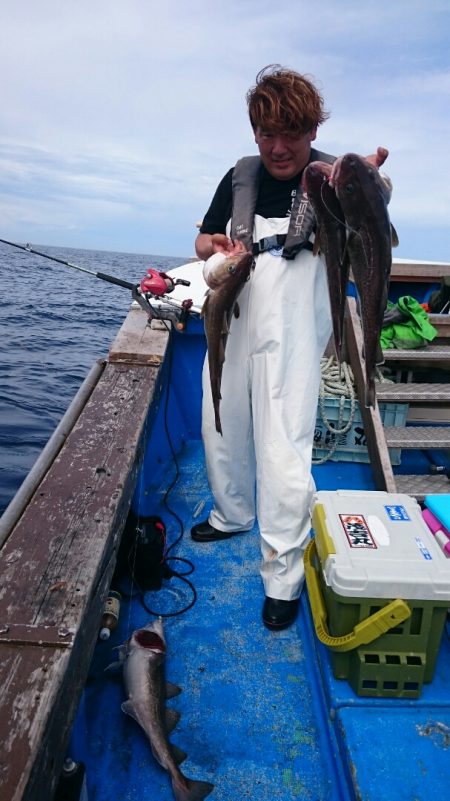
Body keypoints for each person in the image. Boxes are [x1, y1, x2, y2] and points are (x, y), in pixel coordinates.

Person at [192, 65, 388, 630]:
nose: (279, 148)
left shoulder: (333, 180)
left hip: (298, 323)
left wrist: (374, 182)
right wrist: (214, 243)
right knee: (219, 419)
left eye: (293, 135)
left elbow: (376, 202)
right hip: (237, 308)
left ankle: (282, 577)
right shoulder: (239, 177)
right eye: (267, 134)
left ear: (312, 131)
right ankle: (232, 514)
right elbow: (201, 236)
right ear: (255, 132)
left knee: (283, 448)